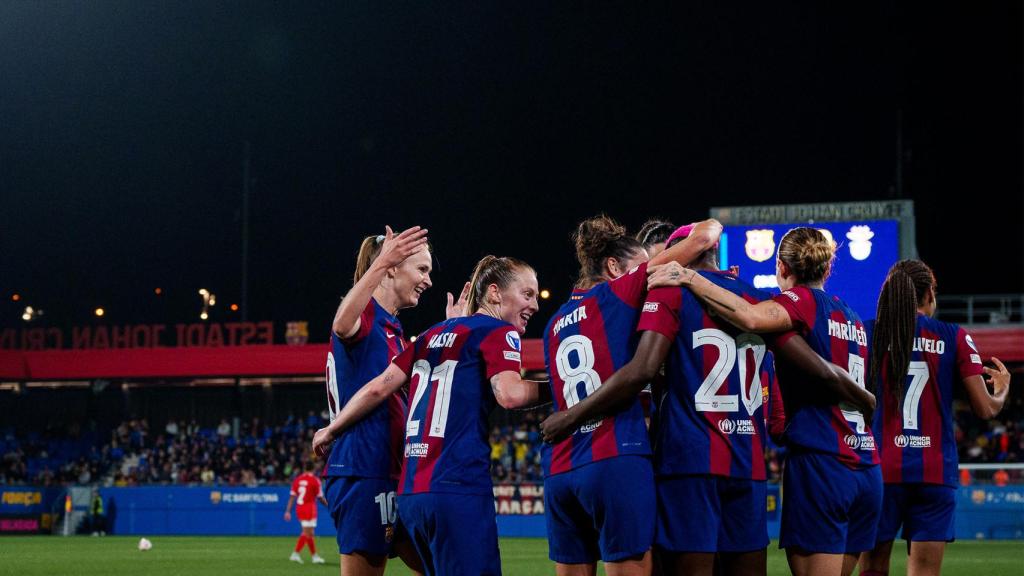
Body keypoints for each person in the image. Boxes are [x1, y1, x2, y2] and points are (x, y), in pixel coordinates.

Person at [544, 224, 873, 576]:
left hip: (689, 461)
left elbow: (644, 369)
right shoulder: (758, 300)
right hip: (748, 462)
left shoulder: (670, 292)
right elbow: (801, 368)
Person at [660, 227, 881, 576]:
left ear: (781, 266)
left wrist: (689, 277)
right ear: (827, 269)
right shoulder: (852, 317)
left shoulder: (798, 303)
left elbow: (748, 317)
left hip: (824, 463)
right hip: (867, 466)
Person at [314, 255, 550, 576]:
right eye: (527, 294)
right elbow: (510, 394)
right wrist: (562, 386)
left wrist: (331, 429)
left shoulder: (428, 336)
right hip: (457, 485)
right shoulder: (499, 332)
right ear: (494, 293)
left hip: (412, 495)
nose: (535, 304)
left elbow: (378, 387)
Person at [540, 215, 723, 576]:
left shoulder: (554, 323)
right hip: (613, 457)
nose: (650, 276)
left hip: (560, 468)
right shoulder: (619, 291)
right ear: (613, 267)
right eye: (643, 268)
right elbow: (705, 236)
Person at [858, 260, 1011, 576]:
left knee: (873, 568)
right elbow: (986, 409)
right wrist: (1002, 389)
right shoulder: (953, 335)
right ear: (928, 294)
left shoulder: (867, 333)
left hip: (880, 469)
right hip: (934, 473)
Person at [323, 224, 430, 576]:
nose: (427, 280)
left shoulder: (394, 331)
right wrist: (380, 264)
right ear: (394, 268)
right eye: (422, 269)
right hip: (364, 469)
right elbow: (341, 323)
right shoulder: (366, 316)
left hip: (392, 472)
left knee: (440, 564)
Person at [285, 461, 328, 564]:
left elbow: (292, 497)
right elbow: (320, 497)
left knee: (309, 533)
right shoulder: (315, 480)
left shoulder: (298, 480)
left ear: (304, 468)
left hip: (300, 508)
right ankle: (297, 554)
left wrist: (288, 511)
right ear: (313, 469)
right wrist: (329, 505)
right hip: (309, 508)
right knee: (307, 533)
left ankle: (313, 556)